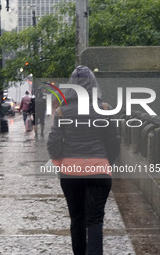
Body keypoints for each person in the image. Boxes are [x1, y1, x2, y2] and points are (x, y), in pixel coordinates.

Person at [47, 65, 120, 255]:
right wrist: (106, 162)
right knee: (95, 219)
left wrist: (59, 160)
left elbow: (53, 144)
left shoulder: (62, 112)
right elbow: (113, 142)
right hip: (99, 170)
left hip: (70, 173)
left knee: (77, 218)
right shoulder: (104, 109)